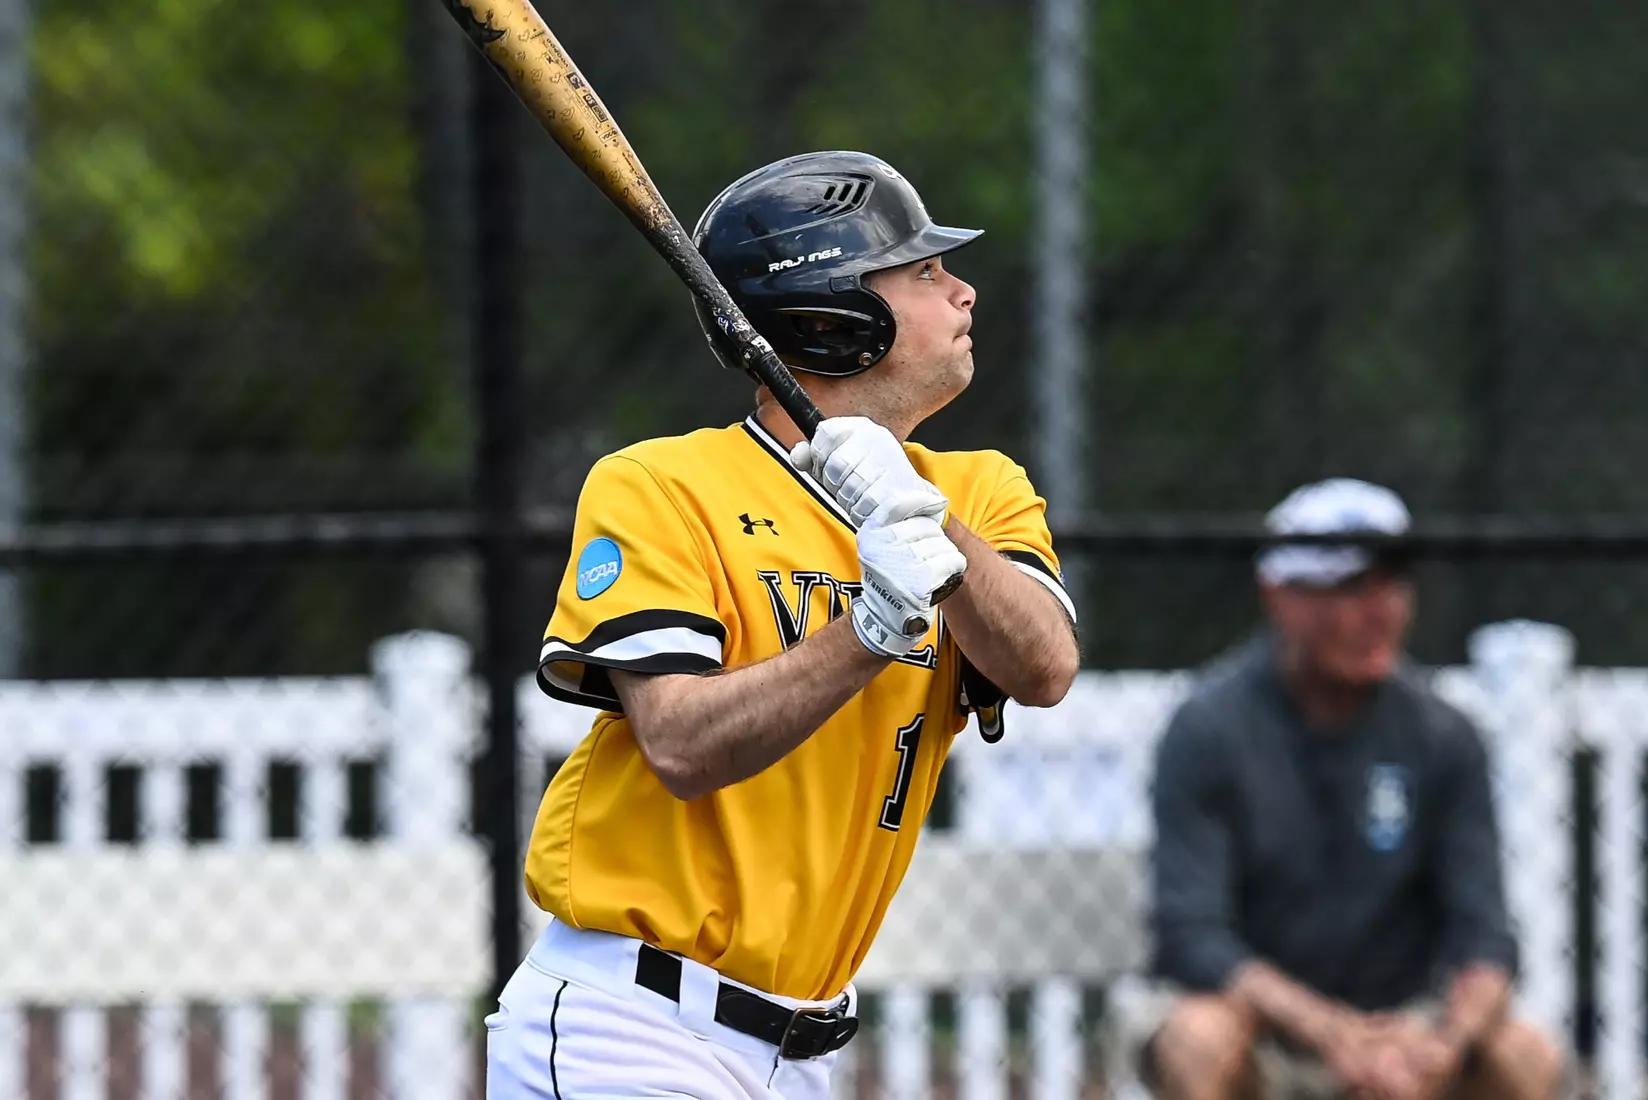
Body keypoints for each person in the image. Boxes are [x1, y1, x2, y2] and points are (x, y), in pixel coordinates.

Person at [485, 150, 1080, 1100]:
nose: (963, 291)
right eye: (923, 272)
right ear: (839, 312)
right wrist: (869, 631)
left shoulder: (979, 490)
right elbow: (679, 742)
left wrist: (922, 517)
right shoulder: (662, 486)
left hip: (803, 1052)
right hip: (632, 1031)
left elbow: (1045, 665)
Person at [1129, 478, 1567, 1100]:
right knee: (1197, 1037)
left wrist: (1443, 1044)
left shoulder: (1445, 736)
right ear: (1279, 596)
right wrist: (1334, 1034)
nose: (1380, 609)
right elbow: (1193, 939)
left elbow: (1486, 941)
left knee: (1524, 1053)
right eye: (1350, 588)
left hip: (1410, 1029)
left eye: (1392, 584)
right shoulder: (1208, 729)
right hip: (1266, 1029)